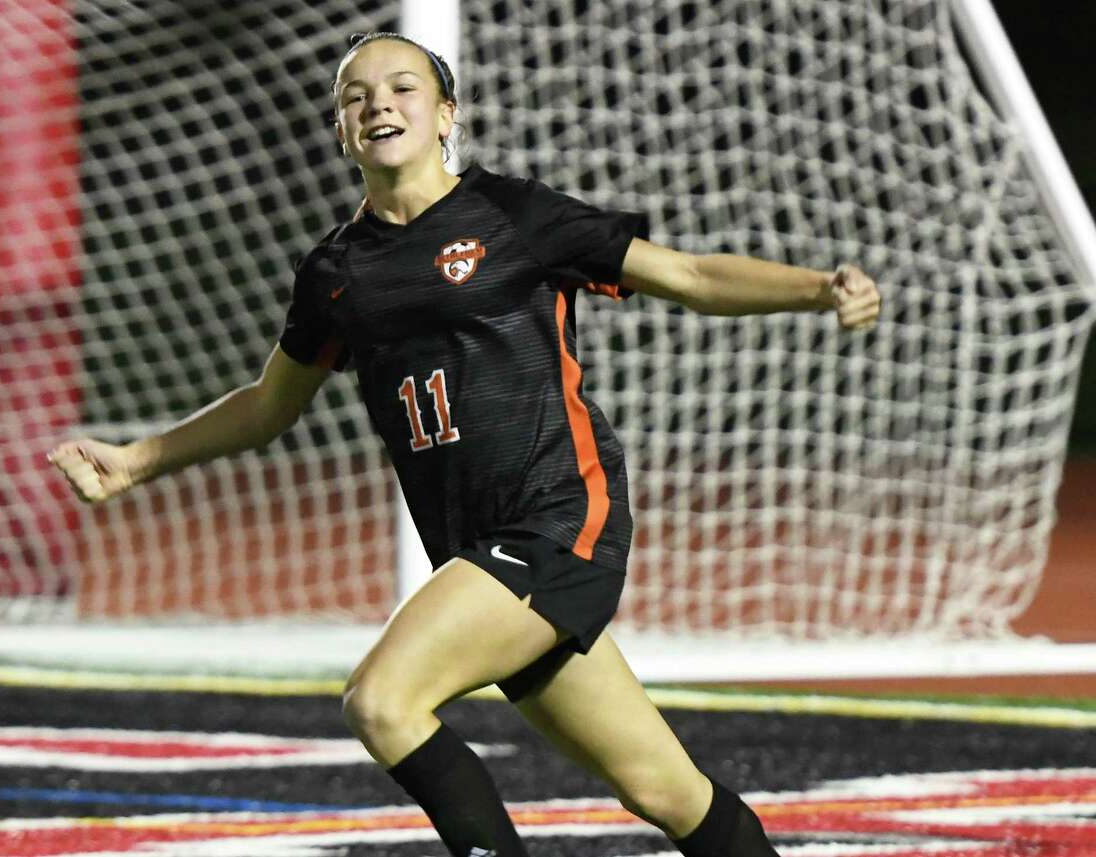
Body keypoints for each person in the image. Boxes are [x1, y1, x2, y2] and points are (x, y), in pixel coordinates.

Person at [49, 31, 881, 857]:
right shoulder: (335, 272)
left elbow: (692, 276)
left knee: (382, 699)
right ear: (341, 132)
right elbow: (270, 406)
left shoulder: (515, 215)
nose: (379, 102)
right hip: (479, 554)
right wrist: (137, 459)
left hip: (559, 522)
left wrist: (816, 289)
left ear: (448, 114)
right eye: (356, 95)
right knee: (666, 790)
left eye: (404, 87)